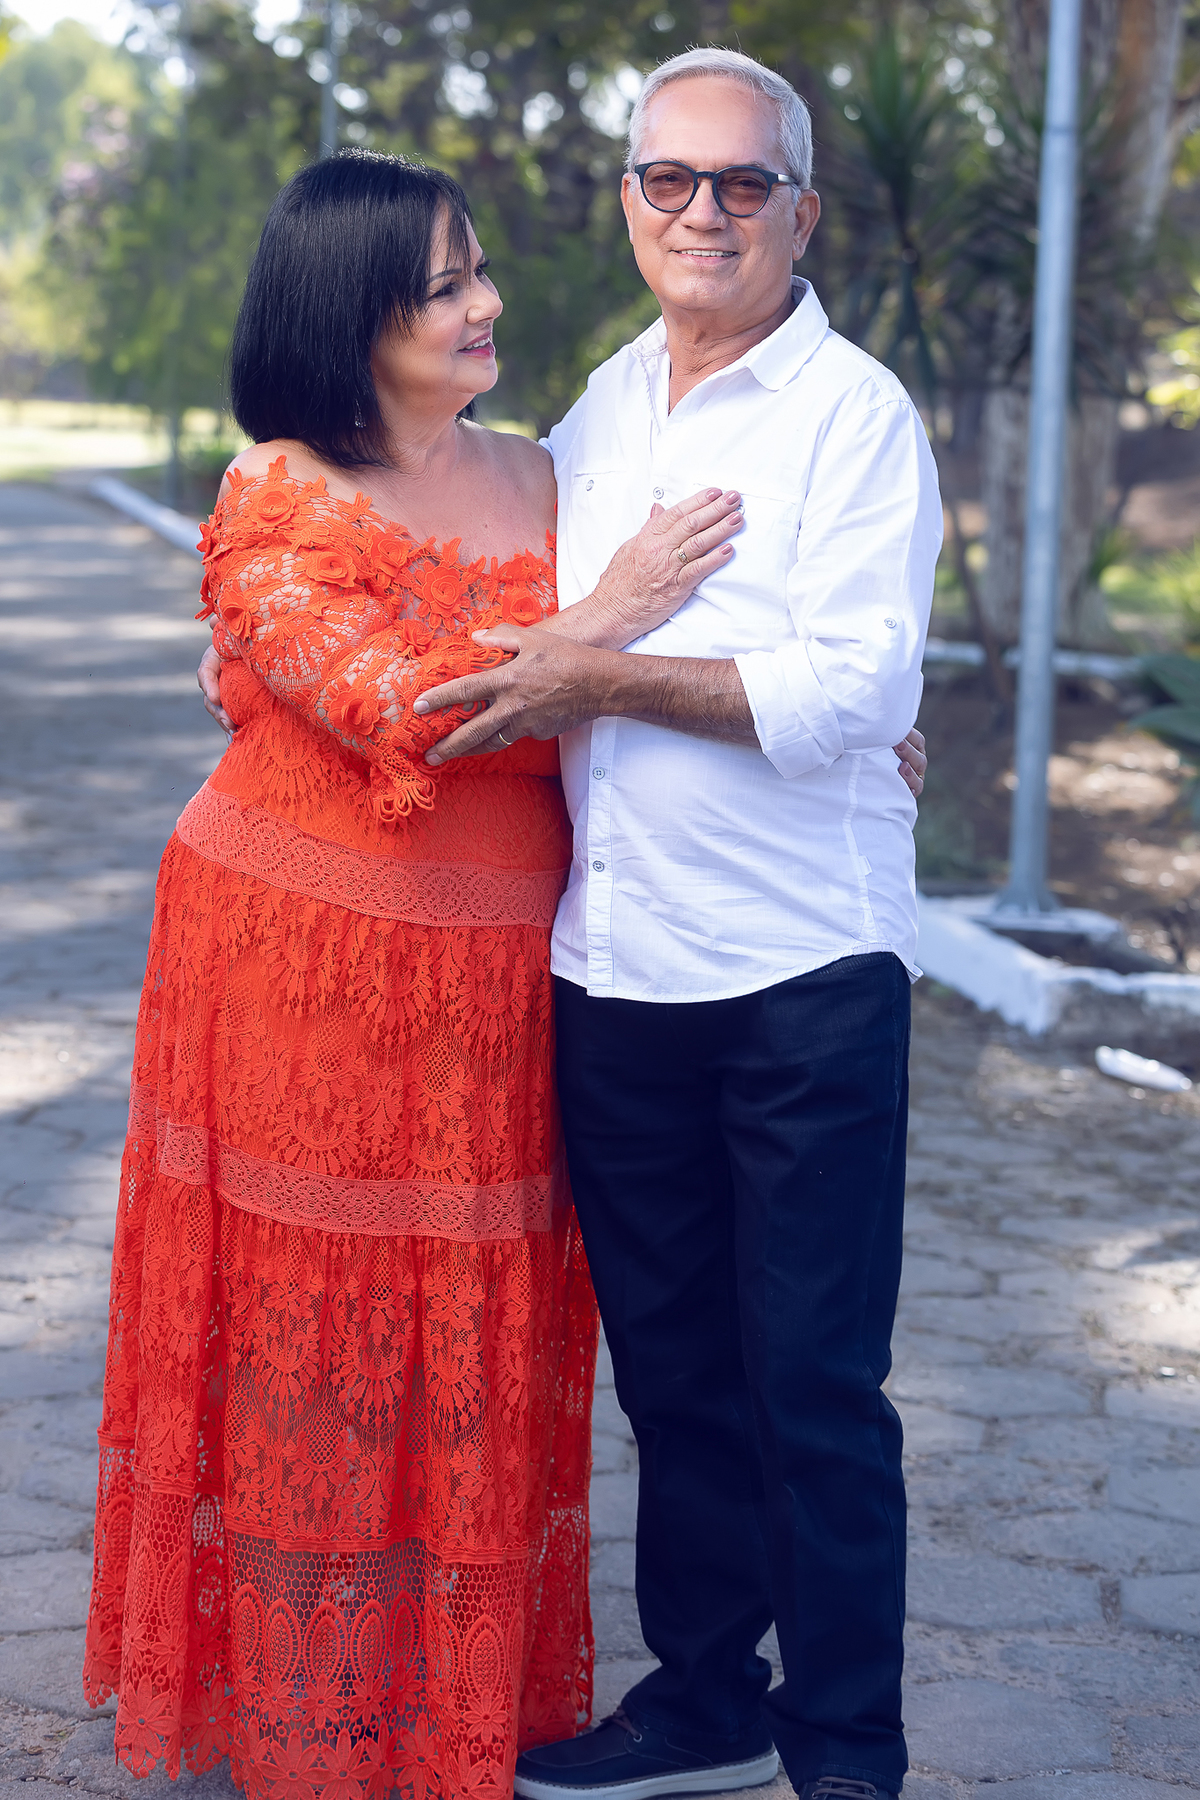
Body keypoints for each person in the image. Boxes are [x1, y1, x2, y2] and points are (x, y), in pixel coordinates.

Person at [85, 150, 752, 1800]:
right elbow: (403, 707)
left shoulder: (551, 470)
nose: (487, 305)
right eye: (447, 285)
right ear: (351, 315)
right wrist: (609, 615)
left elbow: (710, 641)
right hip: (294, 961)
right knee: (314, 1333)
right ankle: (297, 1702)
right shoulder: (278, 488)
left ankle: (445, 1692)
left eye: (479, 272)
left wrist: (831, 727)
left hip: (503, 976)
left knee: (468, 1333)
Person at [410, 48, 942, 1800]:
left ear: (802, 210)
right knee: (676, 1376)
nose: (703, 210)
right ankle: (706, 1701)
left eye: (742, 182)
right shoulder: (604, 408)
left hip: (802, 973)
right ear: (629, 198)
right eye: (670, 179)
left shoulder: (854, 414)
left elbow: (852, 691)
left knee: (814, 1386)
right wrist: (268, 643)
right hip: (612, 970)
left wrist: (603, 673)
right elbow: (499, 611)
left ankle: (846, 1749)